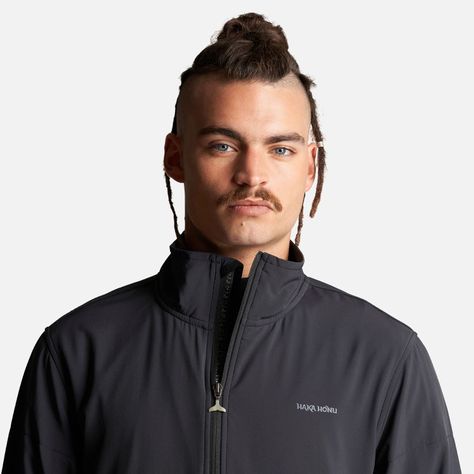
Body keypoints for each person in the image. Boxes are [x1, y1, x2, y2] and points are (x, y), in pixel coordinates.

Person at [2, 12, 462, 474]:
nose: (251, 175)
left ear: (310, 167)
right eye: (223, 145)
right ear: (176, 158)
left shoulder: (385, 357)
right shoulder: (76, 350)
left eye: (280, 149)